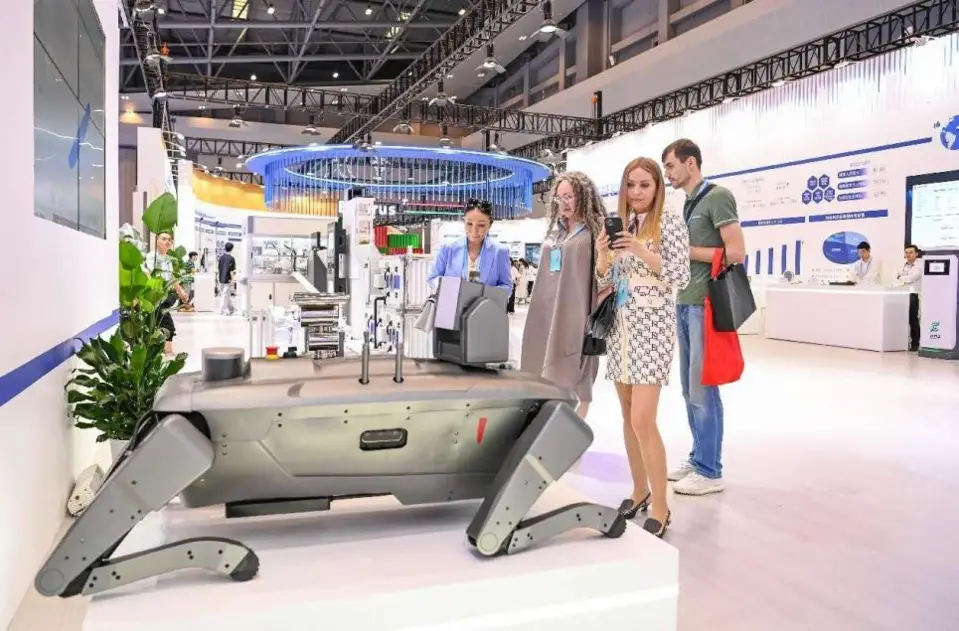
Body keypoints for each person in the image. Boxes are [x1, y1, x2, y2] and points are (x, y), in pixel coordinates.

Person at [596, 158, 690, 537]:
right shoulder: (623, 223)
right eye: (631, 185)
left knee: (643, 420)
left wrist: (638, 248)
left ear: (657, 188)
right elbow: (606, 275)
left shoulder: (669, 222)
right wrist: (605, 252)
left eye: (644, 185)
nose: (636, 192)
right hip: (621, 326)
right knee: (627, 415)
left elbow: (679, 275)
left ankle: (662, 506)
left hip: (652, 328)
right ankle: (639, 490)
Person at [662, 138, 745, 496]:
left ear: (690, 163)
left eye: (670, 166)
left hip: (705, 306)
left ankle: (711, 470)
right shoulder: (688, 203)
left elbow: (736, 252)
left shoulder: (718, 196)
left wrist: (685, 250)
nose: (667, 173)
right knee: (687, 388)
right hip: (684, 302)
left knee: (702, 389)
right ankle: (698, 458)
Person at [520, 172, 604, 419]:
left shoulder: (594, 232)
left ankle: (571, 437)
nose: (564, 203)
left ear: (584, 196)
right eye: (559, 198)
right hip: (545, 310)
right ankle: (545, 431)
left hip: (578, 311)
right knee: (541, 367)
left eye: (570, 196)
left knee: (578, 373)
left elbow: (605, 273)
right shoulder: (555, 231)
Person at [427, 200, 513, 295]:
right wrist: (450, 287)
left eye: (481, 225)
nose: (474, 230)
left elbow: (507, 287)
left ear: (490, 225)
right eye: (469, 224)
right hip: (451, 307)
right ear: (464, 221)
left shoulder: (500, 251)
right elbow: (432, 278)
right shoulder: (448, 248)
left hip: (484, 308)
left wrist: (483, 293)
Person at [146, 231, 189, 355]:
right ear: (157, 241)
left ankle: (163, 353)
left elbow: (171, 277)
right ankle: (168, 354)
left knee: (161, 325)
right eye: (164, 239)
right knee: (167, 325)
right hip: (155, 297)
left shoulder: (167, 260)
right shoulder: (151, 257)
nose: (167, 241)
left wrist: (181, 291)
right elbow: (147, 274)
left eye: (169, 239)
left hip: (164, 296)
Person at [896, 244, 922, 351]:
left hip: (912, 294)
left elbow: (911, 278)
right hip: (900, 294)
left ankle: (915, 343)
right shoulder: (901, 265)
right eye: (906, 252)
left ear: (916, 254)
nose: (908, 255)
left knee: (913, 319)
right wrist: (901, 278)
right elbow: (894, 276)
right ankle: (902, 343)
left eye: (911, 252)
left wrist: (900, 277)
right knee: (900, 319)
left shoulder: (919, 266)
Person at [218, 242, 237, 316]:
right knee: (225, 295)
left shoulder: (221, 257)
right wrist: (233, 280)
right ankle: (222, 311)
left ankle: (231, 309)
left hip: (221, 278)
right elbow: (231, 271)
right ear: (232, 249)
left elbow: (219, 268)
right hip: (227, 279)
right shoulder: (231, 258)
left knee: (225, 294)